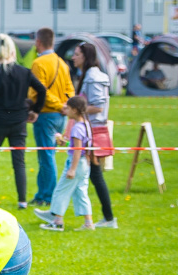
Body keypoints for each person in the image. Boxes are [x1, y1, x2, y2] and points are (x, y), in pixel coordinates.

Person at [0, 34, 46, 208]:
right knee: (19, 162)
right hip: (18, 121)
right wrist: (35, 110)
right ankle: (22, 200)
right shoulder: (24, 72)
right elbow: (41, 90)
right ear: (12, 50)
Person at [33, 96, 96, 231]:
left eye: (67, 108)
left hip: (76, 164)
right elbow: (79, 146)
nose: (65, 110)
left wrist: (72, 169)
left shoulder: (77, 128)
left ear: (74, 110)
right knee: (80, 192)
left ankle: (57, 221)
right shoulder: (86, 125)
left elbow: (78, 150)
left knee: (61, 191)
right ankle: (88, 222)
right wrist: (65, 143)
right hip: (85, 164)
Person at [72, 42, 117, 229]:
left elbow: (98, 106)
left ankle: (108, 219)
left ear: (86, 56)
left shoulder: (93, 76)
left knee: (93, 175)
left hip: (94, 131)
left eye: (76, 54)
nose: (73, 57)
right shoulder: (88, 75)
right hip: (89, 129)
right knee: (90, 175)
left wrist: (74, 110)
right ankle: (106, 218)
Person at [28, 27, 74, 207]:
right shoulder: (62, 63)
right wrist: (67, 106)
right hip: (61, 116)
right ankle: (42, 193)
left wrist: (58, 104)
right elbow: (70, 89)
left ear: (38, 42)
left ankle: (48, 196)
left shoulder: (39, 63)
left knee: (46, 156)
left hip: (46, 114)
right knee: (47, 155)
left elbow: (38, 92)